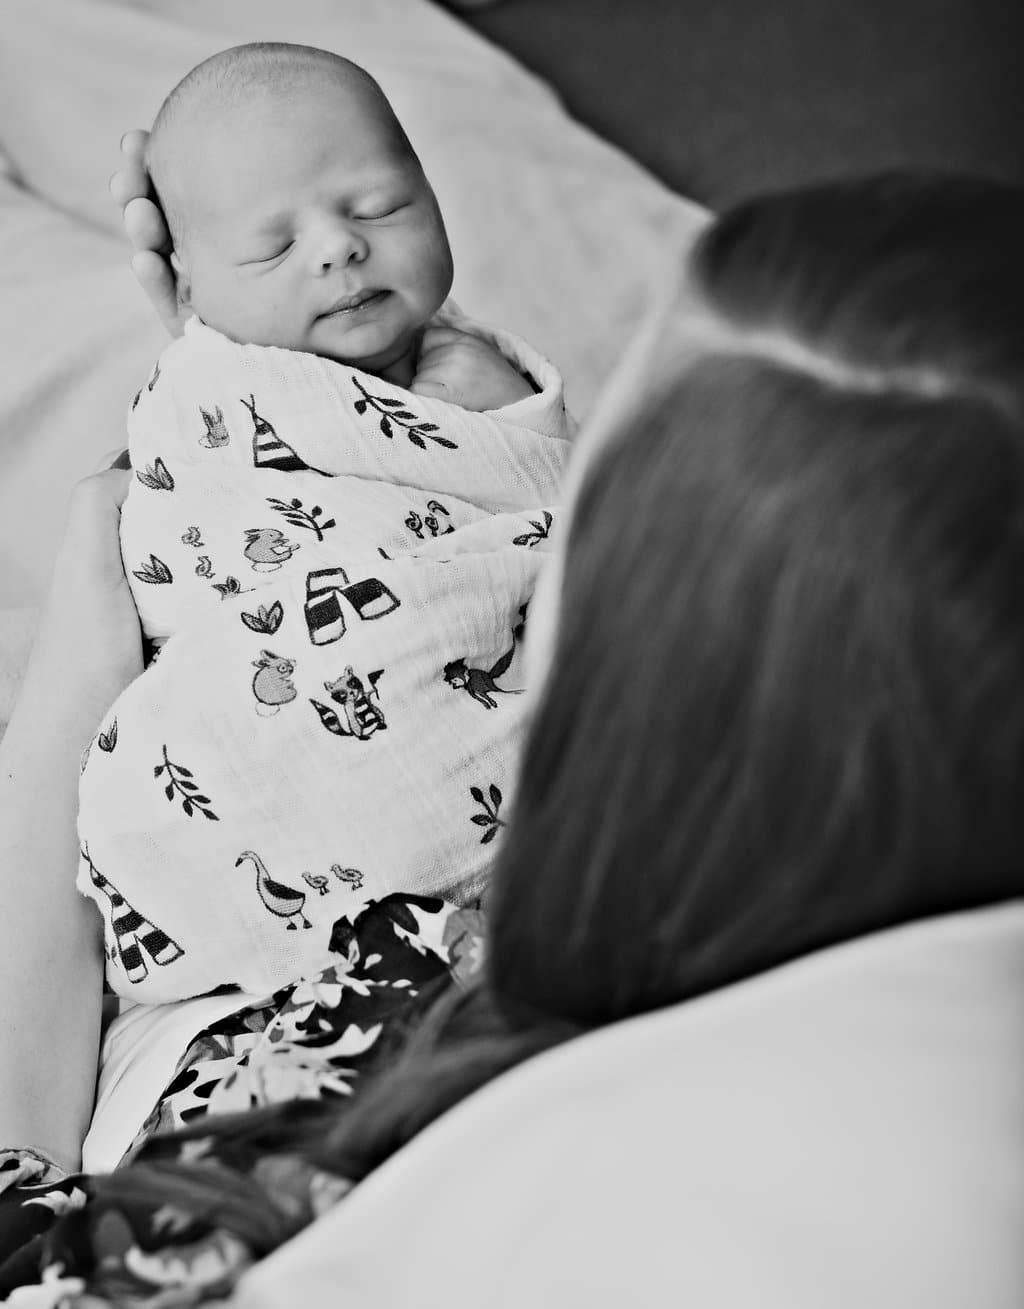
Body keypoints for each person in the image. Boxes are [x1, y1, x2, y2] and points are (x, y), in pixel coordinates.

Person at [2, 169, 1023, 1304]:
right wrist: (279, 420)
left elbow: (19, 1200)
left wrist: (80, 652)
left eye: (581, 474)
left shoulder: (343, 1193)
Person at [77, 43, 571, 1004]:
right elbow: (180, 556)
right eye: (271, 248)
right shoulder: (212, 398)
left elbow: (565, 522)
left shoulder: (472, 368)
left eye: (381, 206)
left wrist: (512, 423)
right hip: (256, 732)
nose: (339, 248)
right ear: (190, 297)